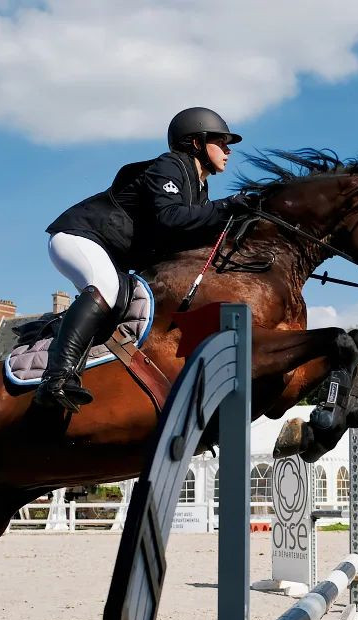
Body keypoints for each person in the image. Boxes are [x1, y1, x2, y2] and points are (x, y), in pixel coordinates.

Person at [37, 107, 250, 412]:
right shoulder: (170, 166)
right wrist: (228, 206)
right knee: (106, 289)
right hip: (79, 238)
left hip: (111, 253)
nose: (229, 150)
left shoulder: (199, 187)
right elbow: (171, 217)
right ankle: (56, 379)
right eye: (222, 141)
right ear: (196, 143)